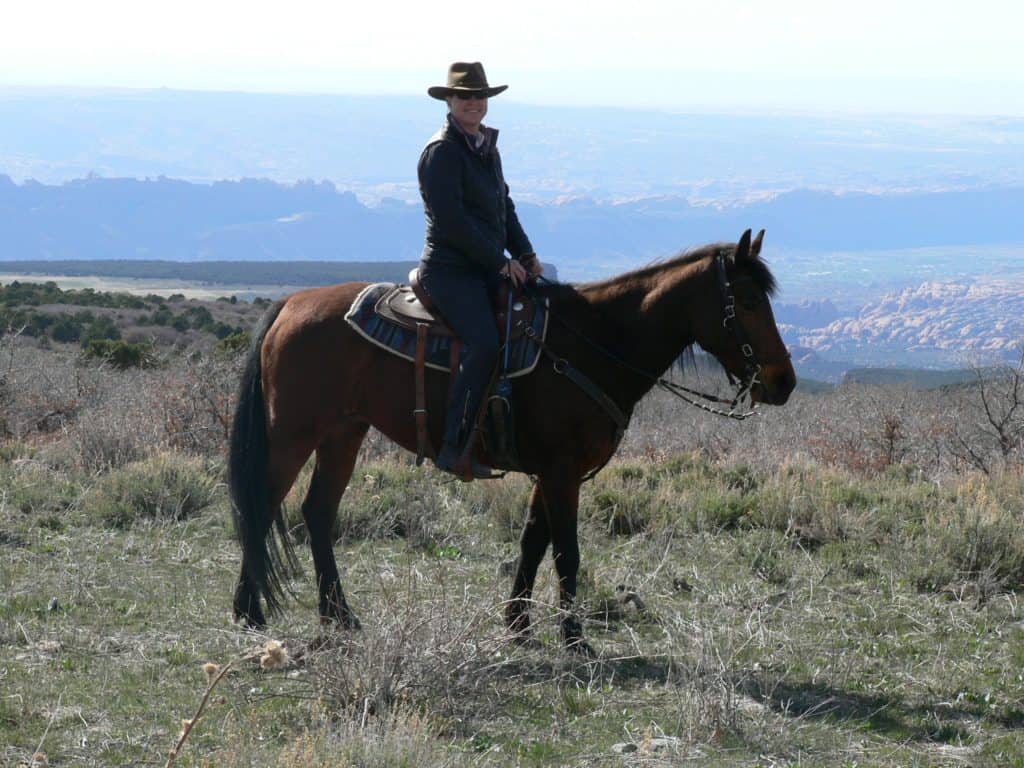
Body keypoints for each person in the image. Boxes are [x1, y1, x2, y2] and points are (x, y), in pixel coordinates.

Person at [417, 61, 543, 478]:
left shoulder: (486, 146)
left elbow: (503, 208)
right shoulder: (442, 153)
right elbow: (452, 222)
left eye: (479, 96)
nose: (473, 103)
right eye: (465, 96)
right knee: (485, 343)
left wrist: (524, 255)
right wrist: (499, 263)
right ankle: (457, 444)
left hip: (487, 266)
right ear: (449, 101)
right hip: (450, 271)